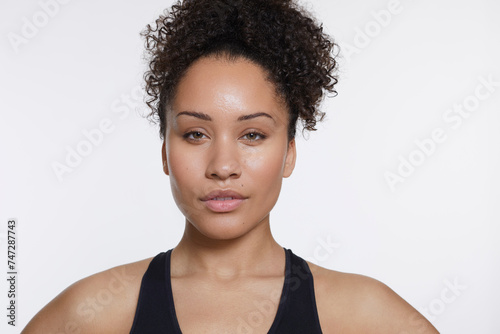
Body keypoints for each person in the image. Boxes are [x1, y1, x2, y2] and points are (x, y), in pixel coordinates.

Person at [23, 0, 439, 333]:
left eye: (253, 135)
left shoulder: (363, 316)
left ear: (289, 152)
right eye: (195, 135)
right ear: (165, 152)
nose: (223, 166)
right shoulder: (93, 314)